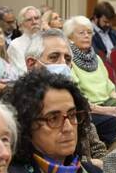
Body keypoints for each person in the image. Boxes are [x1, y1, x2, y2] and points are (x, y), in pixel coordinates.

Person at [22, 31, 109, 166]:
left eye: (67, 59)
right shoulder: (19, 103)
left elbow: (97, 147)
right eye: (54, 57)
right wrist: (86, 165)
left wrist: (102, 165)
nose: (63, 64)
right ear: (32, 63)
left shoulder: (76, 99)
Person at [66, 15, 116, 144]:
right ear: (70, 38)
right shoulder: (68, 60)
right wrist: (108, 111)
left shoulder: (96, 58)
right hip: (87, 111)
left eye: (89, 32)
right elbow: (79, 99)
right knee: (114, 122)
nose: (87, 36)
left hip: (107, 105)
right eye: (82, 33)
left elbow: (110, 90)